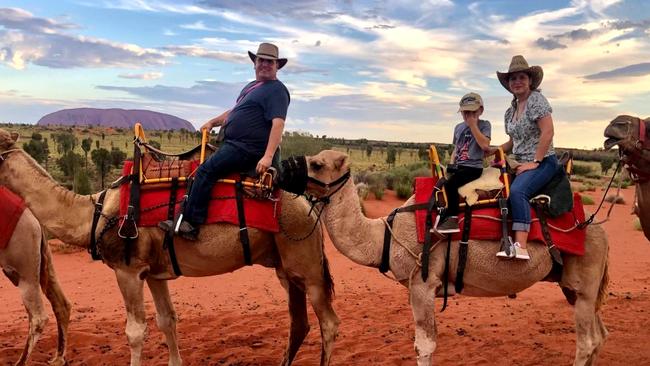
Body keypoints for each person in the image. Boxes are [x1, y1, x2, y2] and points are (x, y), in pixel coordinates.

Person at [159, 42, 290, 240]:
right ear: (254, 63)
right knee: (197, 166)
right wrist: (214, 121)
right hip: (234, 144)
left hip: (247, 149)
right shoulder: (252, 87)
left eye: (269, 62)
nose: (264, 64)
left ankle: (191, 223)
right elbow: (235, 111)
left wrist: (267, 157)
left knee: (205, 170)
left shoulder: (277, 90)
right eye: (261, 60)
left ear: (277, 66)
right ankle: (182, 215)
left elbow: (278, 124)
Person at [493, 55, 557, 260]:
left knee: (518, 191)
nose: (517, 82)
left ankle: (521, 245)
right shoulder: (509, 111)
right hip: (519, 161)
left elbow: (548, 132)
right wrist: (492, 151)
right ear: (508, 84)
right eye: (513, 78)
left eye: (522, 77)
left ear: (530, 80)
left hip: (544, 161)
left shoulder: (536, 101)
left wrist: (535, 162)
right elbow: (513, 142)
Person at [435, 92, 491, 234]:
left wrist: (473, 126)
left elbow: (485, 145)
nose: (468, 116)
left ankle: (453, 219)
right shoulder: (458, 127)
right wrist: (452, 163)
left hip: (473, 167)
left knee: (451, 185)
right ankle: (442, 214)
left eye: (472, 112)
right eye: (465, 112)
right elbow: (457, 148)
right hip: (459, 166)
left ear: (480, 111)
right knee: (441, 183)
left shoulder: (484, 125)